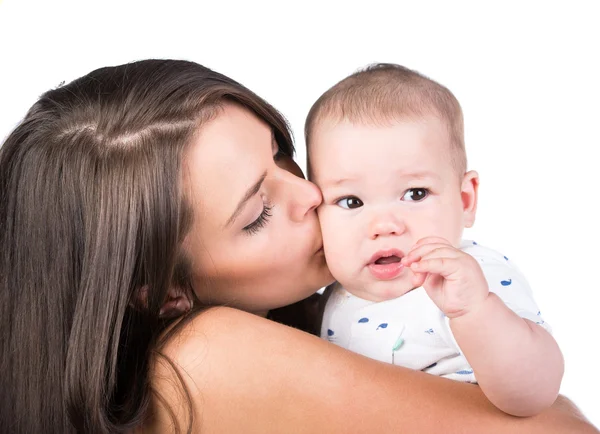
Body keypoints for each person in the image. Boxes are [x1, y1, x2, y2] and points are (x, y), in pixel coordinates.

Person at [0, 59, 596, 434]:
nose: (312, 193)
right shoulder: (206, 355)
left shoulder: (333, 304)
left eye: (283, 154)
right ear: (165, 295)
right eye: (258, 213)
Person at [306, 64, 563, 416]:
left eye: (415, 193)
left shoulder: (472, 280)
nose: (384, 225)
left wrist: (475, 311)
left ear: (465, 201)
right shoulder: (334, 288)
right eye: (351, 202)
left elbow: (535, 392)